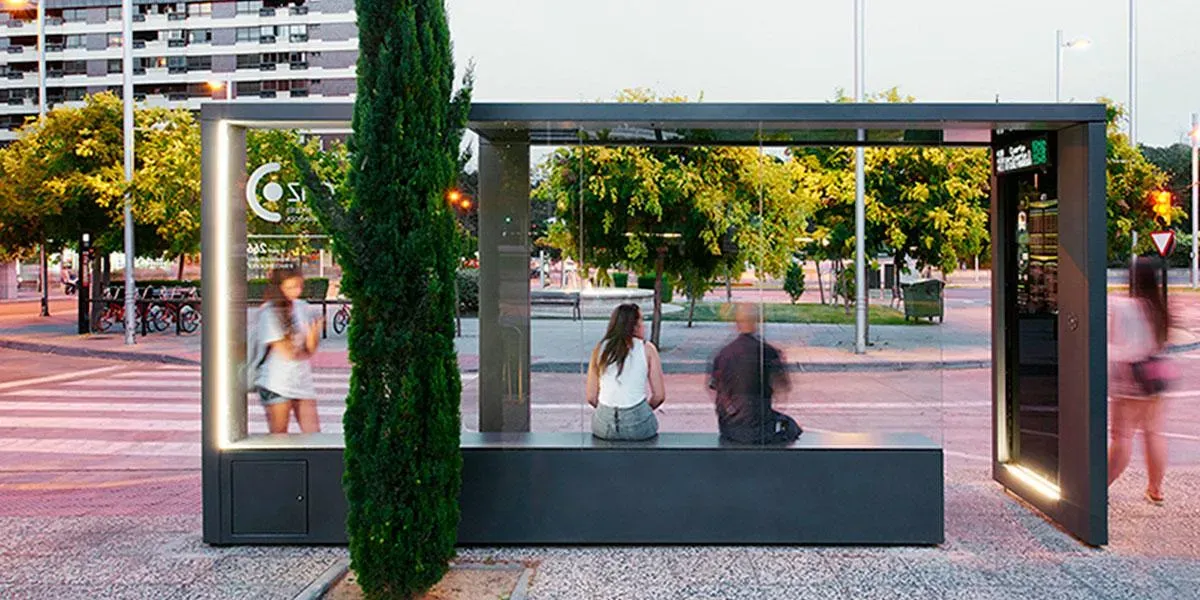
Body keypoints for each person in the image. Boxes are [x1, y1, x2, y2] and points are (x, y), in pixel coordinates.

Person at [1108, 257, 1176, 505]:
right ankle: (1155, 489)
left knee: (1122, 437)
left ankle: (1099, 487)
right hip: (1155, 380)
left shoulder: (1124, 307)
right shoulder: (1160, 308)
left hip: (1130, 381)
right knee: (1154, 433)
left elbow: (1117, 344)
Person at [709, 303, 802, 444]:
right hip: (759, 428)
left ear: (737, 323)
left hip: (729, 428)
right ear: (756, 322)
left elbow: (714, 388)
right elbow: (783, 388)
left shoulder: (723, 354)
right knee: (792, 428)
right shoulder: (767, 352)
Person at [254, 265, 323, 434]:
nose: (296, 291)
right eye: (290, 287)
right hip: (276, 383)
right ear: (279, 288)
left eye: (299, 286)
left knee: (314, 436)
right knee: (279, 438)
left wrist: (313, 336)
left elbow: (309, 351)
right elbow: (288, 353)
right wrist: (308, 343)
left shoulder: (302, 307)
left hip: (301, 381)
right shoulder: (269, 312)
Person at [587, 303, 666, 440]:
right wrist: (642, 411)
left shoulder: (600, 349)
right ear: (634, 326)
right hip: (638, 422)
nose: (644, 325)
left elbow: (591, 397)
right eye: (641, 320)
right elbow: (659, 396)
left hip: (603, 423)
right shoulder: (647, 349)